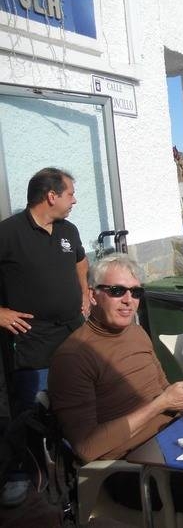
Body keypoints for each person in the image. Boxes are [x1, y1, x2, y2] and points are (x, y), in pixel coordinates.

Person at [48, 254, 183, 517]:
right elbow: (87, 448)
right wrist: (161, 403)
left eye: (135, 292)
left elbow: (162, 389)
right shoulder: (73, 357)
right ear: (92, 295)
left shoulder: (136, 332)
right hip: (130, 470)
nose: (128, 300)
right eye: (116, 291)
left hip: (170, 445)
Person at [0, 168, 89, 507]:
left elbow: (80, 261)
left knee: (76, 399)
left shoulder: (68, 230)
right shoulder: (9, 233)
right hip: (32, 340)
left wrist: (84, 291)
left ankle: (74, 461)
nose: (74, 200)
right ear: (51, 196)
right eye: (70, 194)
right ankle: (22, 474)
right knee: (30, 413)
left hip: (72, 333)